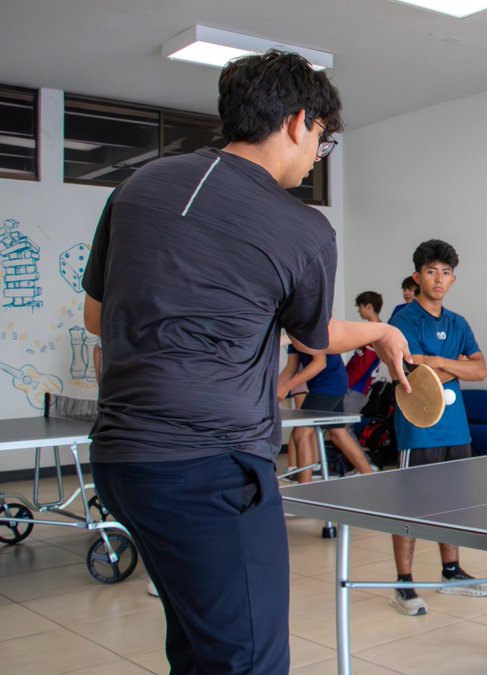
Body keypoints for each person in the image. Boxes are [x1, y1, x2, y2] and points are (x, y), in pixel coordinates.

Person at [81, 50, 410, 674]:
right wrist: (378, 332)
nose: (318, 153)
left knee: (198, 644)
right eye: (323, 138)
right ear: (298, 121)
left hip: (122, 462)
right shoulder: (303, 229)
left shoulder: (137, 187)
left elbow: (99, 317)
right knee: (248, 659)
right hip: (211, 467)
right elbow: (313, 337)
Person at [387, 239, 487, 616]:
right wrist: (449, 364)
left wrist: (435, 360)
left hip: (456, 429)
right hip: (419, 427)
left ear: (453, 278)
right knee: (410, 507)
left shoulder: (458, 322)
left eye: (446, 273)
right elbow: (411, 368)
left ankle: (451, 572)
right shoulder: (403, 320)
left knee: (452, 504)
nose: (439, 279)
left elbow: (480, 370)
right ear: (417, 277)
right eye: (431, 271)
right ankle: (403, 584)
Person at [277, 346, 377, 479]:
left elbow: (320, 363)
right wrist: (273, 391)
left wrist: (287, 387)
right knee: (338, 433)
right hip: (333, 383)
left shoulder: (312, 330)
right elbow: (291, 367)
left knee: (301, 433)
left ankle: (305, 488)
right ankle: (369, 474)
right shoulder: (294, 335)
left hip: (328, 385)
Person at [347, 290, 384, 395]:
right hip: (352, 385)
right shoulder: (370, 329)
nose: (359, 311)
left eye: (360, 307)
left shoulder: (376, 332)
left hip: (356, 387)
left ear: (369, 307)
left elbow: (364, 365)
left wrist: (346, 384)